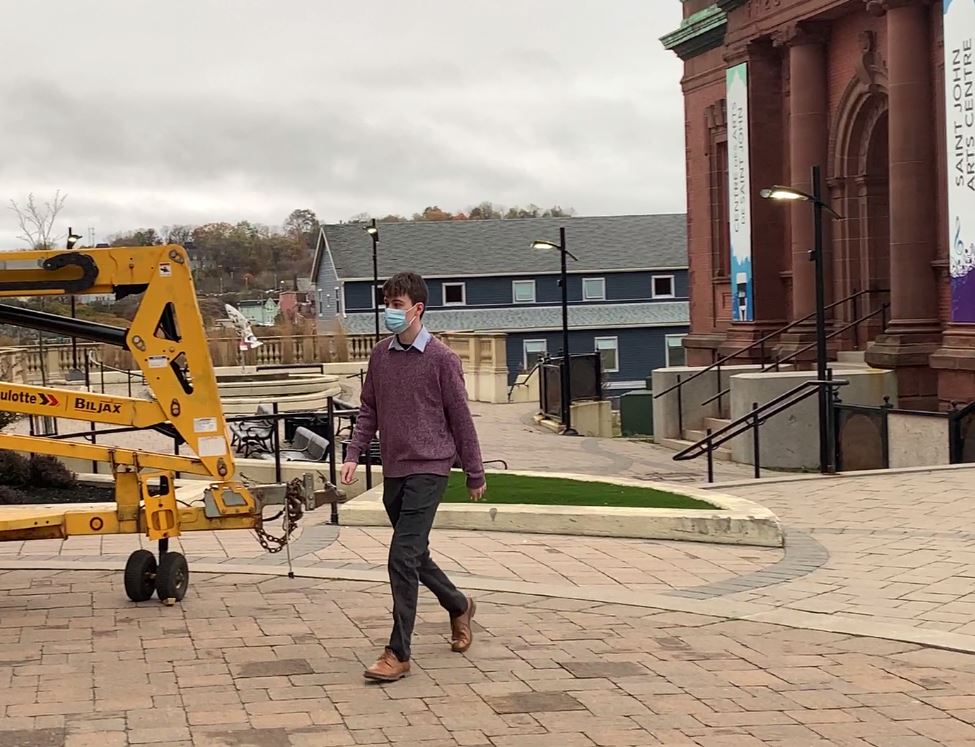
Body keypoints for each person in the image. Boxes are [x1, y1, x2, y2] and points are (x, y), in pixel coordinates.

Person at [341, 271, 486, 683]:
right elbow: (368, 409)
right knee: (415, 555)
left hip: (431, 467)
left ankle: (397, 652)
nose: (390, 311)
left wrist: (474, 472)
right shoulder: (380, 356)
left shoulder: (442, 359)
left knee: (401, 557)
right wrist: (354, 453)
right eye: (386, 303)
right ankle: (458, 605)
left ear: (417, 309)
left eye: (397, 305)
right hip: (396, 470)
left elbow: (461, 420)